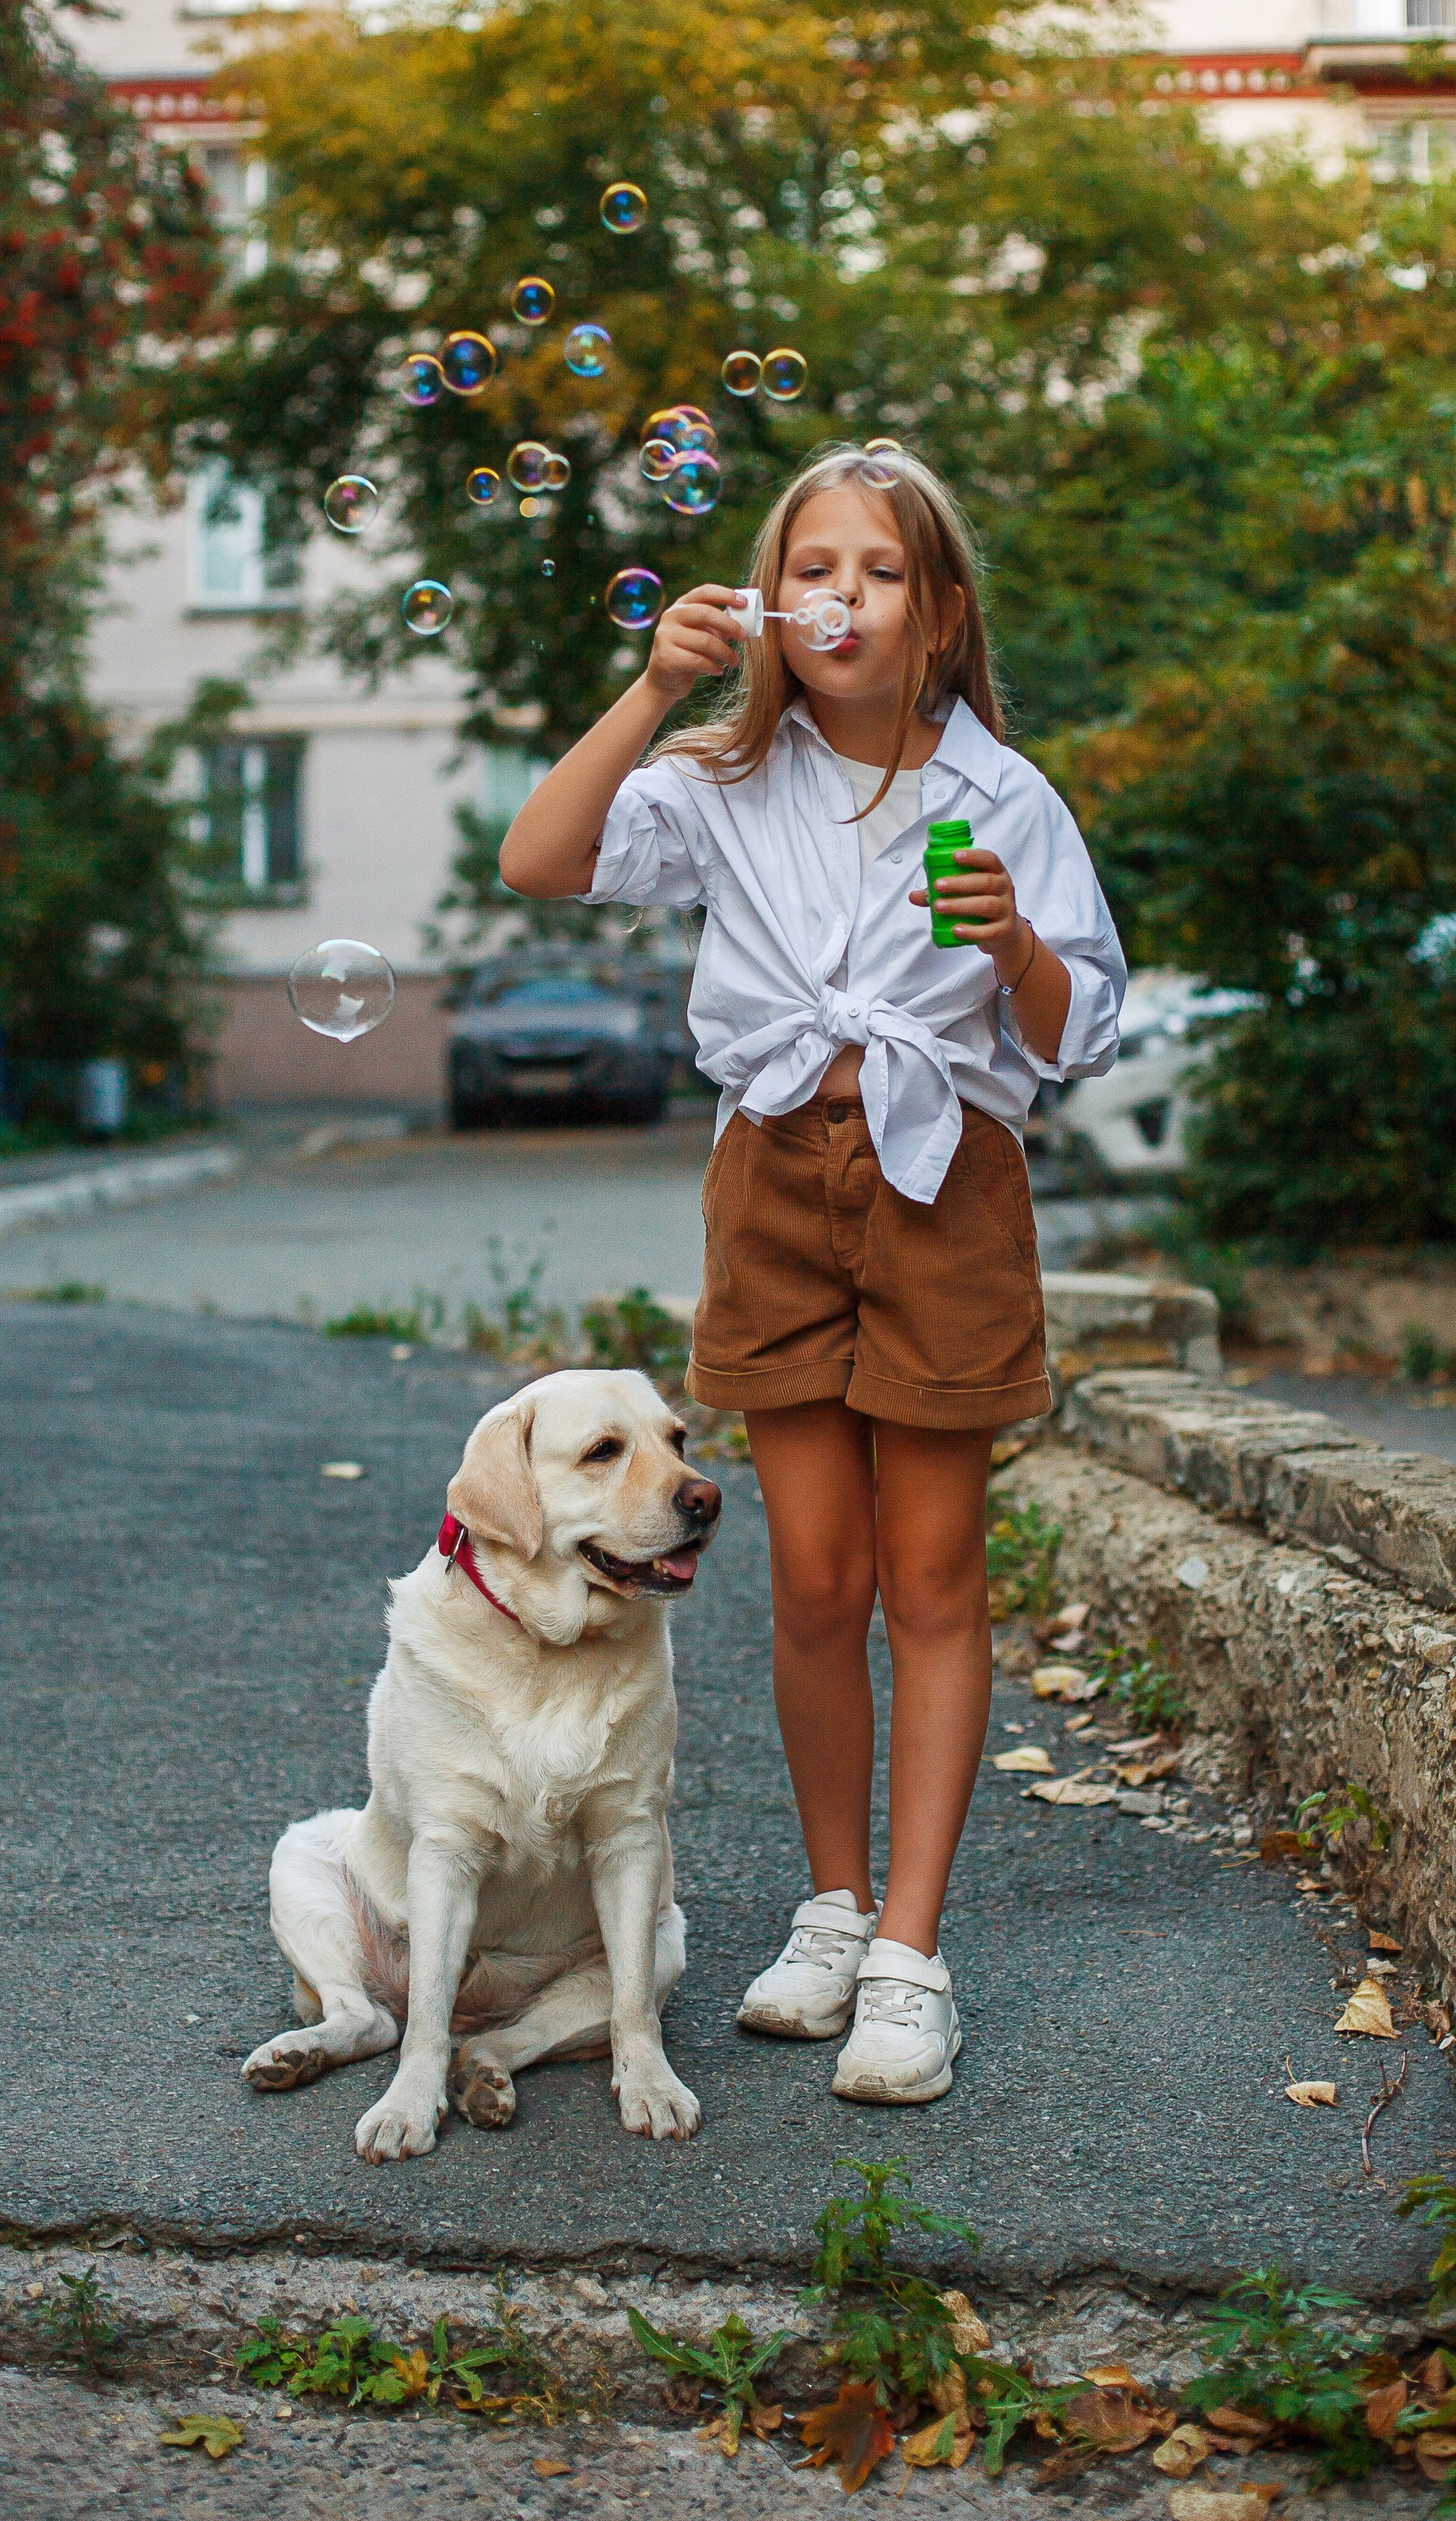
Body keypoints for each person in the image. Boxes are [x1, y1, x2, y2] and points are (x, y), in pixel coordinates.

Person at [500, 445, 1124, 2103]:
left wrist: (1012, 949)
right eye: (816, 566)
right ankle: (832, 1909)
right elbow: (539, 859)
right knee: (811, 1583)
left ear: (938, 615)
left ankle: (911, 1953)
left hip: (940, 1184)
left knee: (929, 1581)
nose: (843, 594)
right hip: (773, 1174)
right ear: (773, 603)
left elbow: (1077, 1034)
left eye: (881, 570)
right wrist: (650, 690)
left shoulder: (1002, 799)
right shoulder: (716, 776)